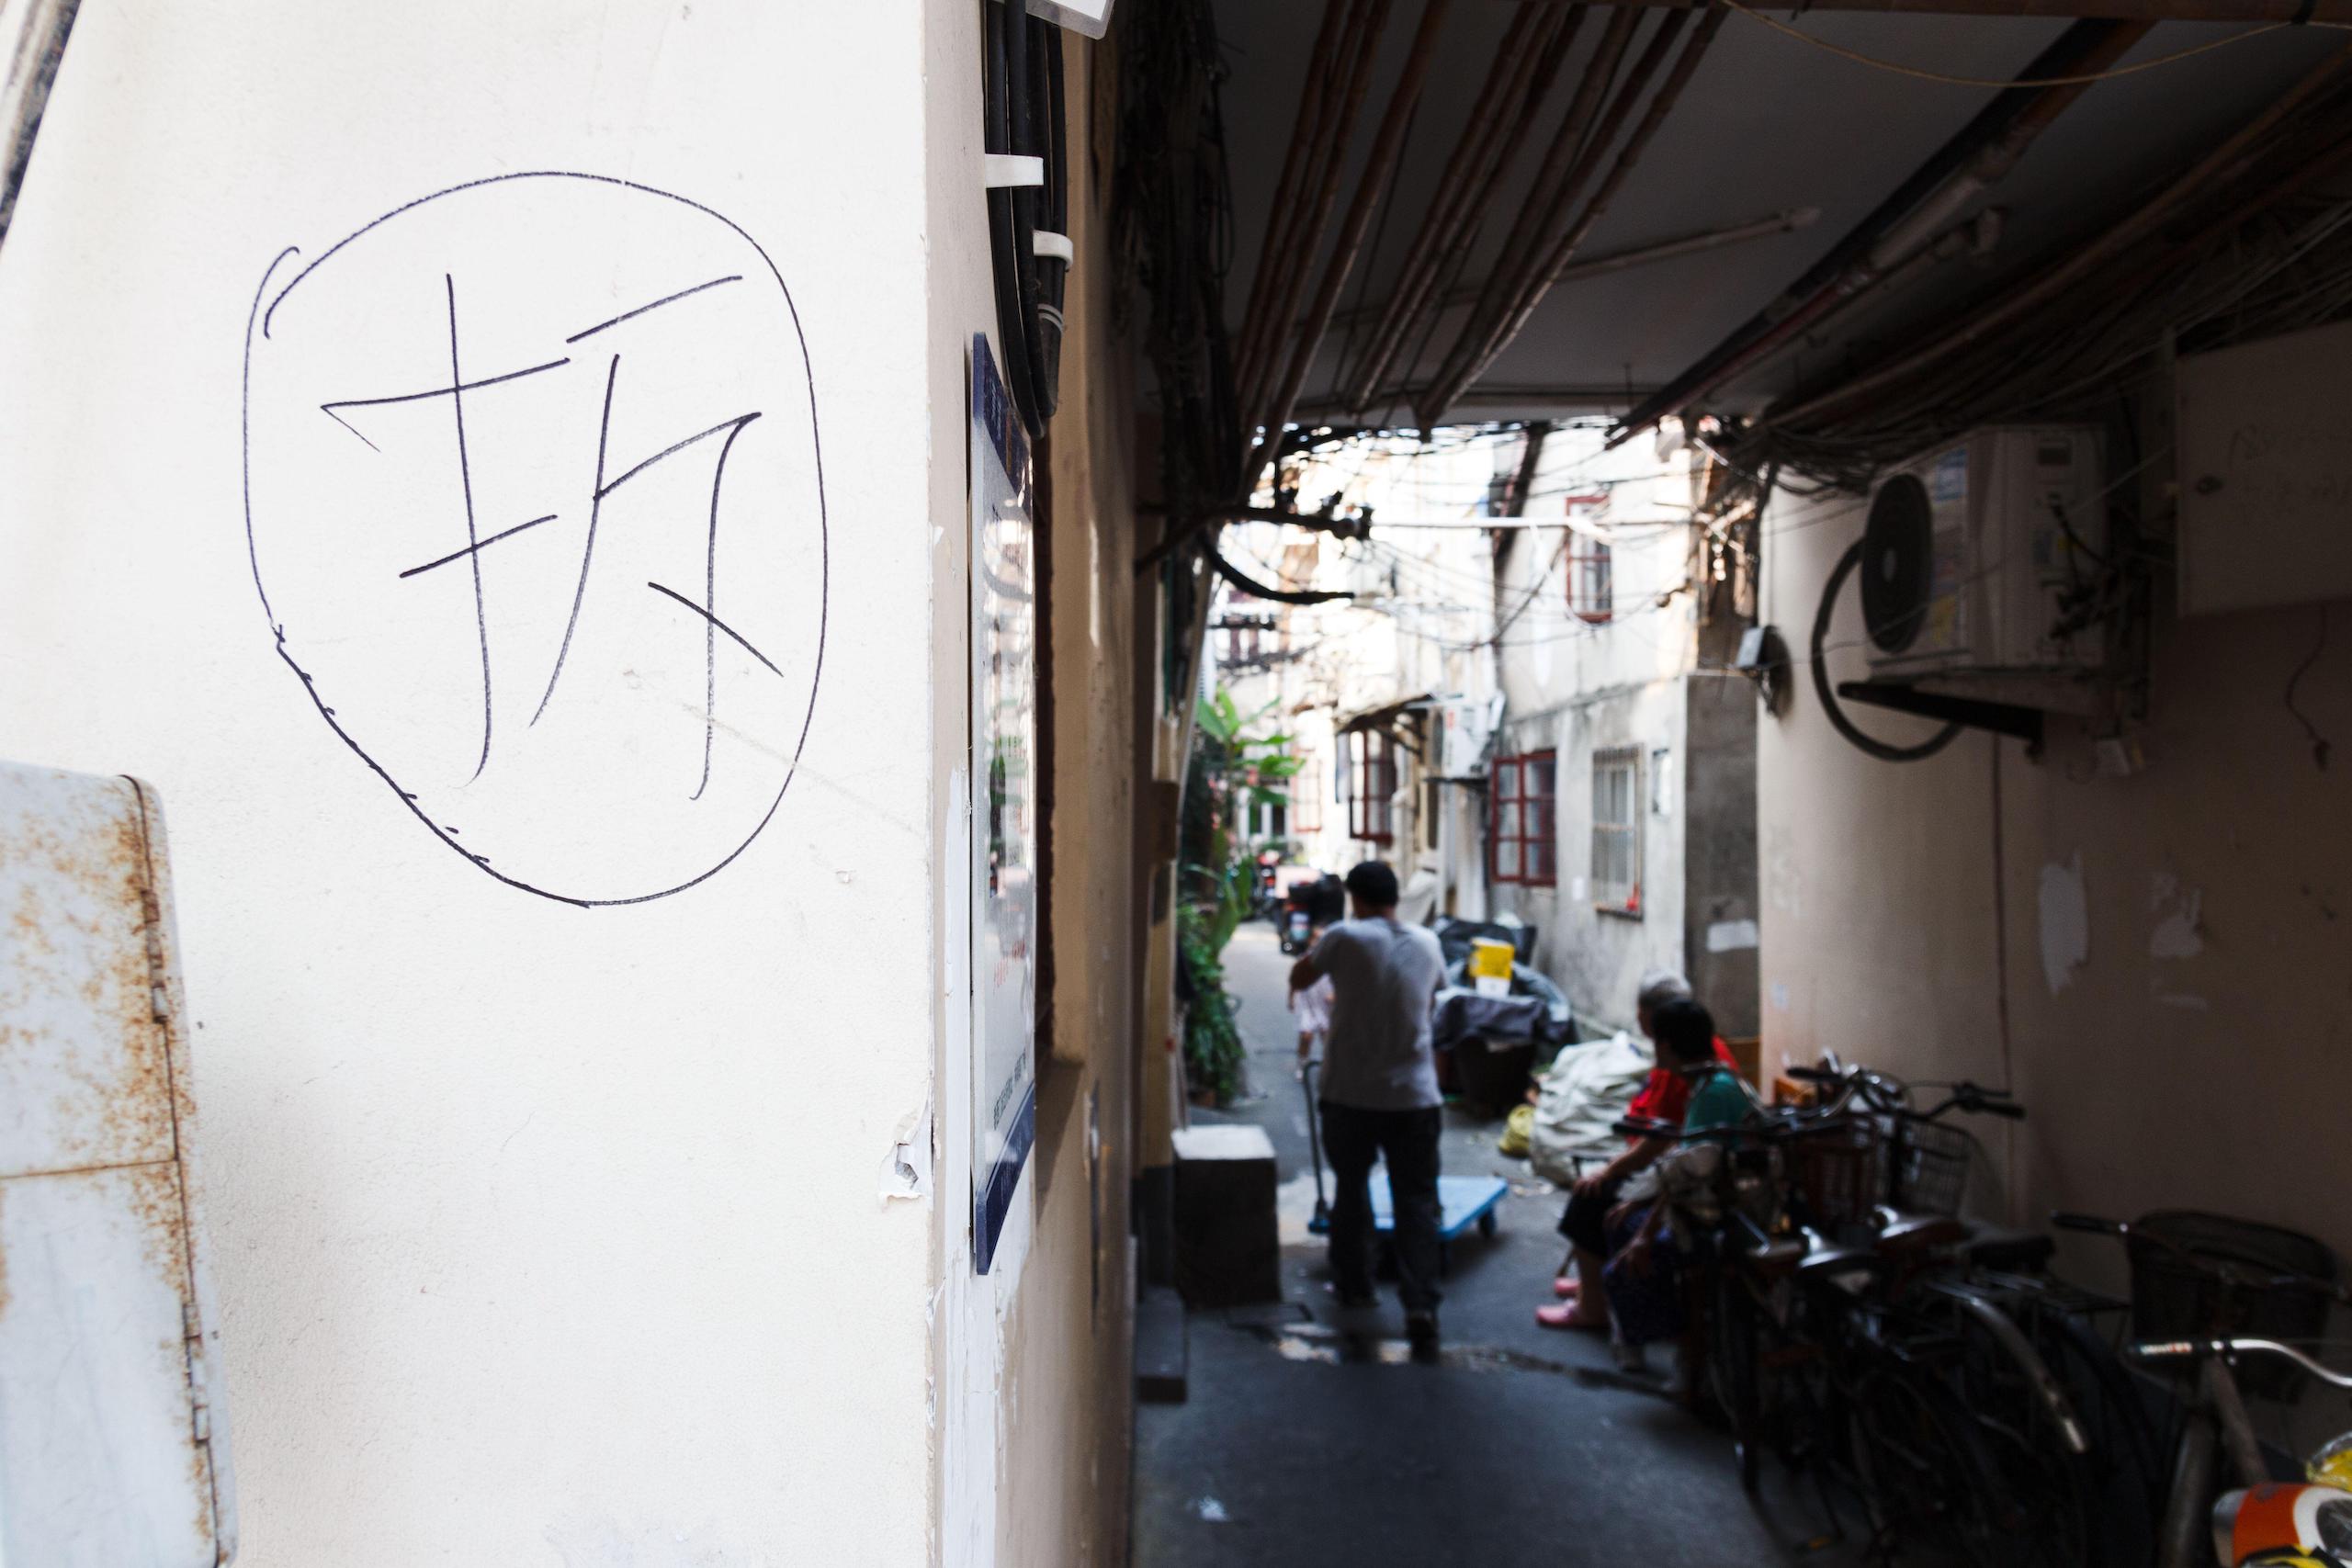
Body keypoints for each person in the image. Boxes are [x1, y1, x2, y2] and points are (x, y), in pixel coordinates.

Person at [1287, 860, 1448, 1355]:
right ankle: (1420, 1304)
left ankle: (1356, 1289)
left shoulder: (1343, 936)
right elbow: (1433, 997)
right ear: (1396, 897)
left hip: (1350, 1094)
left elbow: (1299, 976)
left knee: (1351, 1192)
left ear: (1355, 898)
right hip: (1415, 1096)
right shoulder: (1429, 943)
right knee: (1417, 1200)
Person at [1538, 969, 1742, 1331]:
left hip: (1690, 1181)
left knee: (1591, 1195)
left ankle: (1592, 1307)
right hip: (1674, 1166)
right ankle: (1593, 1287)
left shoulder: (1700, 1080)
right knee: (1603, 1186)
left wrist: (1619, 1177)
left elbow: (1680, 1157)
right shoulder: (1697, 1064)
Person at [1599, 998, 1749, 1359]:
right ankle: (1639, 1337)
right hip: (1711, 1196)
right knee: (1620, 1218)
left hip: (1719, 1216)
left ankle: (1676, 1345)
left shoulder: (1712, 1093)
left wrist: (1646, 1233)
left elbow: (1689, 1171)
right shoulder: (1713, 1080)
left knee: (1629, 1248)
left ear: (1666, 1046)